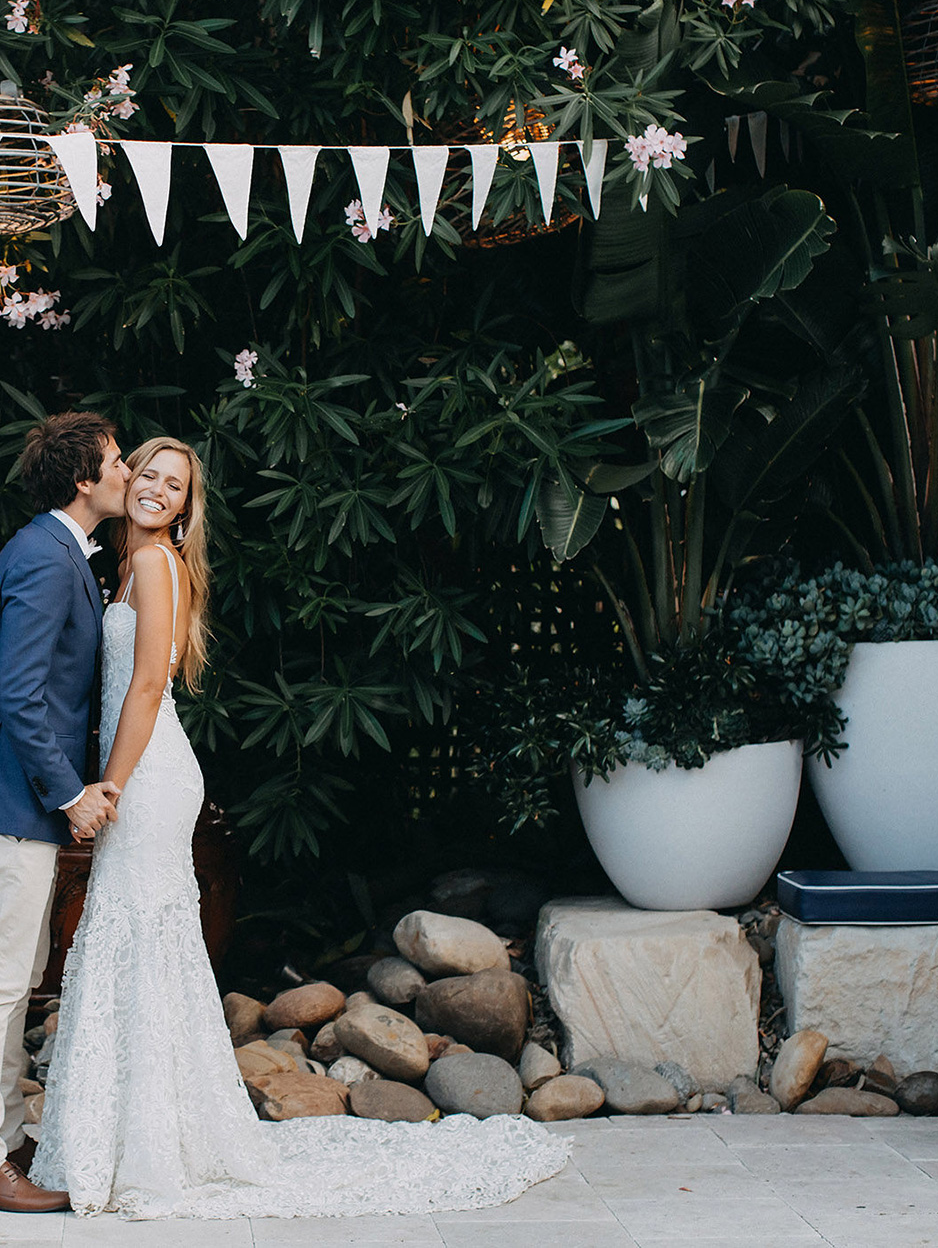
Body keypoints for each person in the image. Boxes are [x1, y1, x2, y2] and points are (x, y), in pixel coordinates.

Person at [31, 435, 573, 1219]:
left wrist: (108, 782)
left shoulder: (153, 565)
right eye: (146, 472)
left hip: (145, 772)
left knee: (137, 937)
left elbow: (147, 684)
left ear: (186, 509)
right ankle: (140, 1136)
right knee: (141, 943)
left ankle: (144, 1146)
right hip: (147, 764)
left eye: (173, 484)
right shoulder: (130, 565)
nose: (154, 488)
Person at [0, 410, 131, 1213]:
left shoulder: (51, 550)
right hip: (11, 802)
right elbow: (21, 694)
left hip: (19, 805)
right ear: (84, 478)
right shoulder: (49, 560)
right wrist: (72, 792)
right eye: (118, 461)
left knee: (15, 978)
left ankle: (5, 1137)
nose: (127, 472)